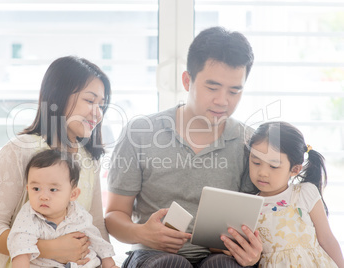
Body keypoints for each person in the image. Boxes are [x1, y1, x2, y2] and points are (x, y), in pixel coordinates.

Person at [105, 26, 262, 268]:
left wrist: (251, 253)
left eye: (234, 91)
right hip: (153, 256)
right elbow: (114, 215)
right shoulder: (140, 132)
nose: (223, 101)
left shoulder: (249, 143)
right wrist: (141, 234)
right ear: (187, 80)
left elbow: (257, 220)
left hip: (219, 257)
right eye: (212, 88)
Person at [0, 55, 112, 267]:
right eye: (90, 101)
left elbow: (97, 226)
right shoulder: (20, 150)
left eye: (102, 105)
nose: (98, 113)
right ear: (60, 96)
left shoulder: (89, 160)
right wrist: (52, 249)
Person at [247, 121, 344, 268]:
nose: (262, 173)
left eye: (273, 166)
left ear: (295, 169)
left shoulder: (305, 193)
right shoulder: (248, 205)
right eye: (256, 162)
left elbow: (327, 239)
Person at [8, 150, 117, 268]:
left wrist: (110, 264)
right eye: (36, 189)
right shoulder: (28, 217)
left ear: (73, 194)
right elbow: (20, 248)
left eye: (53, 190)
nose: (43, 197)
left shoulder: (78, 214)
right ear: (28, 189)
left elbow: (96, 239)